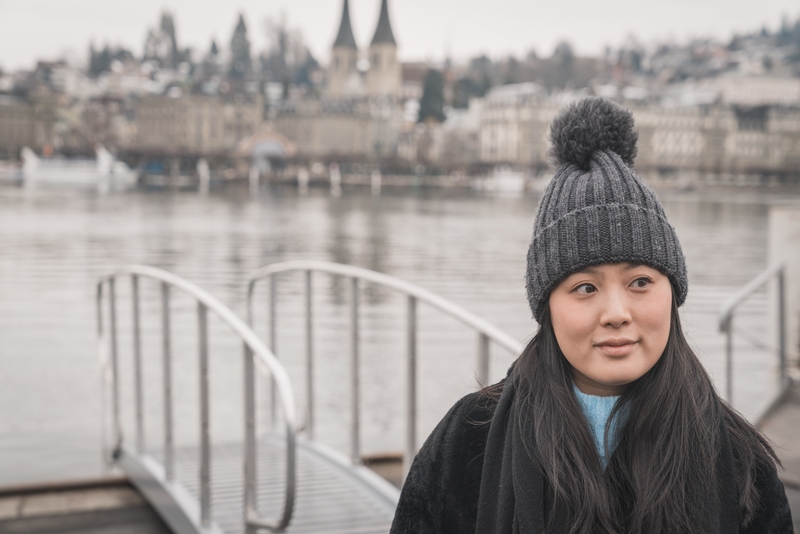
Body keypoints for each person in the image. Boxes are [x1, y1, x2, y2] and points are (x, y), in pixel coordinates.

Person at [390, 97, 793, 534]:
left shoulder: (738, 458)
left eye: (640, 282)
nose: (617, 313)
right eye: (585, 288)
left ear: (672, 293)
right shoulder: (468, 442)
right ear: (547, 308)